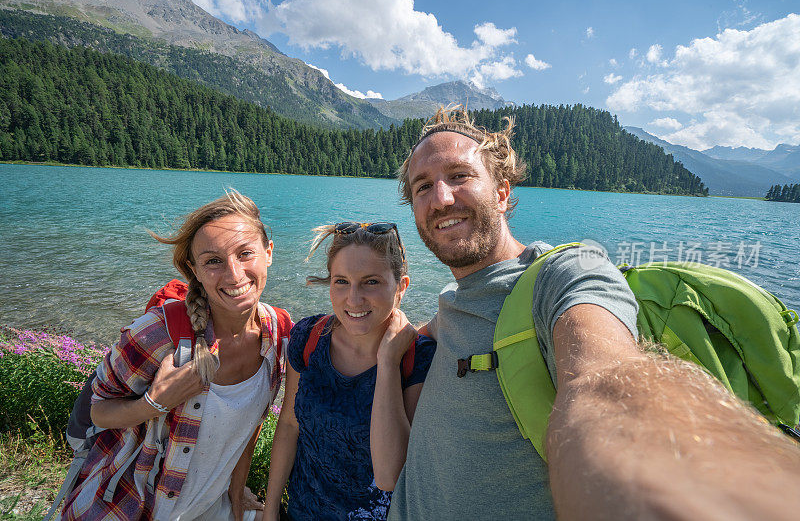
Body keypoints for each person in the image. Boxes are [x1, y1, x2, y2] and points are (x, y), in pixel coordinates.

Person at [388, 107, 800, 520]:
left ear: (501, 192)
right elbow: (433, 329)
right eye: (423, 186)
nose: (440, 198)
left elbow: (603, 381)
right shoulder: (453, 299)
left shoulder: (566, 274)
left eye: (459, 176)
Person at [60, 191, 291, 521]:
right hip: (130, 506)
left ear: (268, 253)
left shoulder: (280, 332)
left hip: (212, 506)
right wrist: (152, 403)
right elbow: (98, 411)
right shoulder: (157, 332)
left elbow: (250, 426)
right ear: (193, 270)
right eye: (213, 261)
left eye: (245, 254)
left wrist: (237, 492)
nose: (234, 274)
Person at [262, 222, 435, 521]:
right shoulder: (309, 338)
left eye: (371, 282)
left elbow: (392, 474)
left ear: (401, 287)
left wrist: (388, 362)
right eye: (341, 281)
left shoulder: (417, 358)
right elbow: (290, 424)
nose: (353, 299)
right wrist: (271, 510)